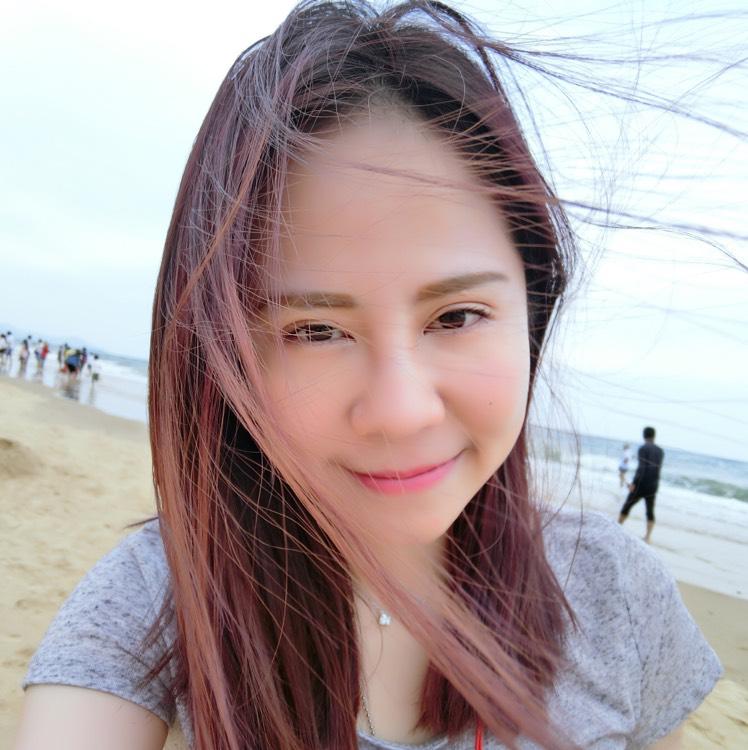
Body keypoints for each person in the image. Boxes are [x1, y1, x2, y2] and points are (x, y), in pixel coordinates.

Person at [15, 4, 720, 750]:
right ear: (225, 356)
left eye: (457, 316)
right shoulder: (158, 597)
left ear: (532, 309)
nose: (402, 411)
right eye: (316, 331)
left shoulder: (616, 595)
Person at [618, 427, 665, 544]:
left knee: (627, 506)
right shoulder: (660, 451)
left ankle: (617, 528)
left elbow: (642, 468)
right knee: (650, 510)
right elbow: (658, 469)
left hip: (641, 484)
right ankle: (648, 537)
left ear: (644, 436)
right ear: (654, 436)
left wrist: (634, 483)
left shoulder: (643, 449)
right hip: (653, 484)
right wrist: (655, 485)